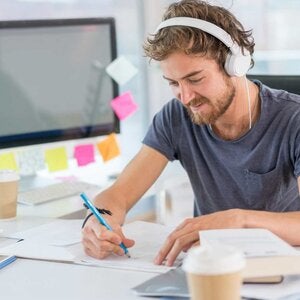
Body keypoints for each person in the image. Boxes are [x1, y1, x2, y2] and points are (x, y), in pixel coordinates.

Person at [81, 0, 300, 267]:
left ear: (235, 65)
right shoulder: (176, 117)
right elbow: (120, 193)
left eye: (195, 79)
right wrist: (98, 221)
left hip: (281, 269)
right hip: (209, 267)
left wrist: (238, 220)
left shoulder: (293, 120)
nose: (185, 97)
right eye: (173, 83)